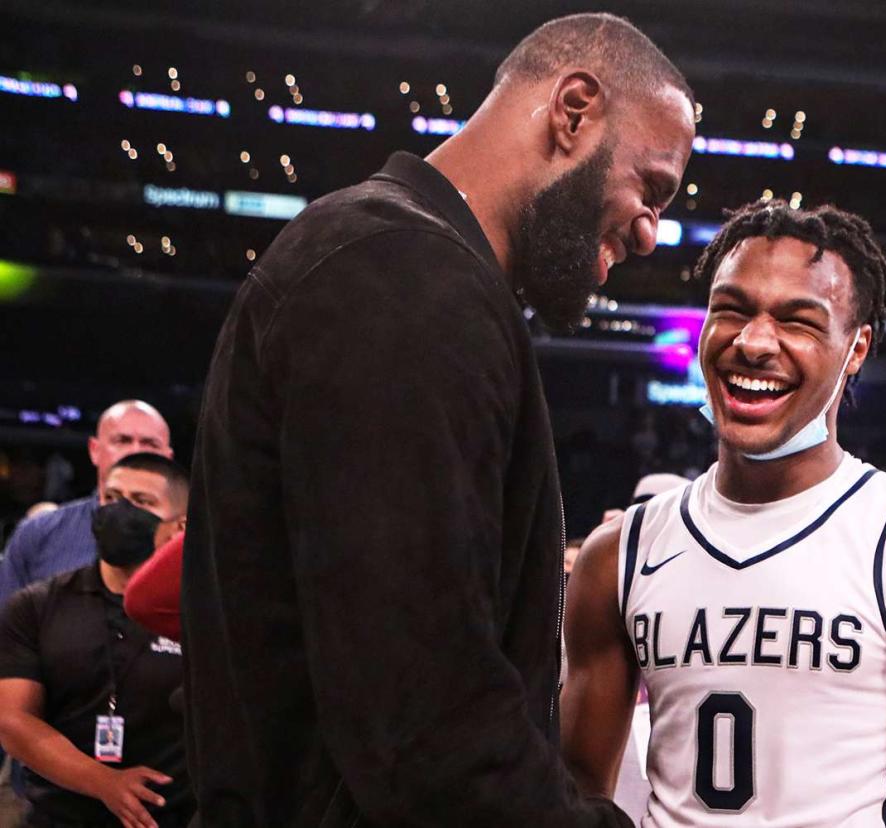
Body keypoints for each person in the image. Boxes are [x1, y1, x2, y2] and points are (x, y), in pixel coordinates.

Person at [182, 12, 695, 827]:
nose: (649, 233)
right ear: (574, 110)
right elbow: (425, 723)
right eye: (652, 186)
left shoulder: (399, 267)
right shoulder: (403, 280)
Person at [561, 200, 886, 826]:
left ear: (856, 347)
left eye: (799, 321)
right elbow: (573, 799)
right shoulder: (618, 556)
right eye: (731, 310)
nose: (754, 342)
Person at [0, 453, 191, 828]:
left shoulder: (203, 611)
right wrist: (104, 782)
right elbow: (11, 719)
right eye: (111, 497)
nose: (121, 511)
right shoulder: (37, 605)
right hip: (59, 816)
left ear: (180, 525)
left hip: (175, 815)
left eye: (141, 502)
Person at [0, 400, 173, 606]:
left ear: (167, 457)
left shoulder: (191, 543)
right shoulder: (38, 534)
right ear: (94, 450)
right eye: (122, 441)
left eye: (150, 444)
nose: (136, 452)